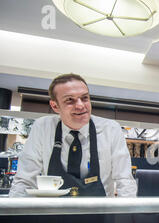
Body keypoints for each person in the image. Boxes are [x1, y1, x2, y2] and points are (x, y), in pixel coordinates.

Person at [9, 73, 137, 197]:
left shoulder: (110, 129)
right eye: (70, 100)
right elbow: (25, 180)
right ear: (55, 106)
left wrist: (125, 217)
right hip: (52, 214)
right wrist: (14, 216)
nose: (81, 105)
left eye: (85, 98)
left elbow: (124, 180)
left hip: (100, 214)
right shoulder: (43, 127)